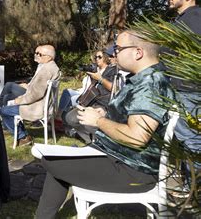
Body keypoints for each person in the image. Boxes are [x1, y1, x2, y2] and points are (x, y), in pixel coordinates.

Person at [35, 30, 176, 218]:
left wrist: (99, 121)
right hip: (120, 159)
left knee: (49, 160)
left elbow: (137, 138)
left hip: (132, 171)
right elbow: (132, 117)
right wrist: (105, 113)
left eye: (118, 49)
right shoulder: (144, 79)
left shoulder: (149, 84)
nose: (114, 54)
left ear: (138, 52)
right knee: (56, 161)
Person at [166, 0, 200, 183]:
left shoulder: (195, 18)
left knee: (193, 139)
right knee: (187, 139)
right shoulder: (183, 20)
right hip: (183, 89)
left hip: (190, 90)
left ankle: (196, 188)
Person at [0, 45, 60, 147]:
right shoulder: (51, 67)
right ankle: (22, 135)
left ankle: (23, 137)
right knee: (7, 99)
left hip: (36, 107)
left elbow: (35, 94)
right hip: (44, 106)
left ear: (49, 57)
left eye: (40, 54)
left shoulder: (46, 70)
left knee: (4, 110)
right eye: (36, 53)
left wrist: (18, 101)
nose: (37, 56)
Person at [62, 48, 118, 143]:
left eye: (99, 57)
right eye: (95, 57)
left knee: (86, 122)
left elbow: (114, 88)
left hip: (102, 103)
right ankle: (89, 139)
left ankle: (100, 141)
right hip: (90, 101)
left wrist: (99, 78)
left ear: (105, 58)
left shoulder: (112, 70)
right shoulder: (95, 69)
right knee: (69, 117)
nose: (97, 59)